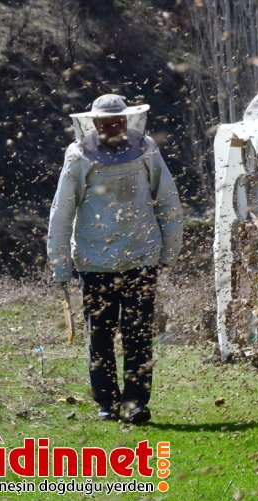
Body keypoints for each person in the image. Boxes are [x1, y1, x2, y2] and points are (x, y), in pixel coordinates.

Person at [46, 94, 183, 424]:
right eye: (106, 124)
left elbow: (167, 198)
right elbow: (62, 210)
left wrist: (170, 248)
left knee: (138, 335)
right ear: (93, 124)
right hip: (95, 261)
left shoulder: (147, 149)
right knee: (100, 335)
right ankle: (107, 401)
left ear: (127, 120)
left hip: (140, 256)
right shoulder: (78, 156)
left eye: (118, 122)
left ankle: (135, 403)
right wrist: (60, 263)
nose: (113, 129)